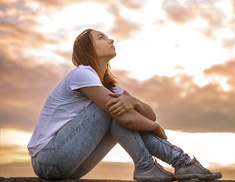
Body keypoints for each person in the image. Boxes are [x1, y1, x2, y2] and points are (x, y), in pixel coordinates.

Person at [27, 28, 222, 181]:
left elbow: (149, 115)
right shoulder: (82, 73)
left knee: (118, 111)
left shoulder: (110, 86)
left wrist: (133, 101)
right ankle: (178, 163)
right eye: (101, 38)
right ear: (88, 48)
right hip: (48, 158)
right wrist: (155, 127)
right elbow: (132, 119)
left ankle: (158, 166)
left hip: (74, 167)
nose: (111, 40)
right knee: (113, 111)